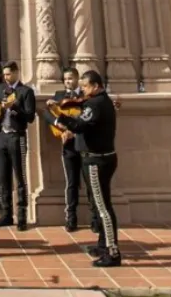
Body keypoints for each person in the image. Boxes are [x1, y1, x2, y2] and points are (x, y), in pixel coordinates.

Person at [42, 69, 121, 267]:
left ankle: (112, 252)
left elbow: (78, 126)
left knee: (103, 208)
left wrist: (59, 116)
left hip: (96, 160)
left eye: (85, 86)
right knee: (100, 203)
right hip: (100, 158)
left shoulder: (95, 104)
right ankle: (103, 245)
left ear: (95, 86)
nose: (83, 90)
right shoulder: (101, 101)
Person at [47, 67, 97, 233]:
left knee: (90, 183)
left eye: (70, 78)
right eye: (65, 79)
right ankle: (71, 218)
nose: (67, 81)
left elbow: (88, 120)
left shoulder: (85, 96)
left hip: (84, 145)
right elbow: (47, 114)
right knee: (71, 183)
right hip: (68, 147)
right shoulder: (59, 95)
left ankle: (95, 219)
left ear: (77, 79)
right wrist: (59, 125)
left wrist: (73, 132)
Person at [0, 60, 36, 231]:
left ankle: (21, 216)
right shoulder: (1, 89)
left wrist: (14, 107)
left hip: (17, 136)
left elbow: (30, 117)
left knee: (20, 176)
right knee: (3, 176)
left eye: (9, 74)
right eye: (4, 75)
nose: (6, 77)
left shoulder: (26, 92)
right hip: (2, 135)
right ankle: (6, 214)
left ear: (16, 73)